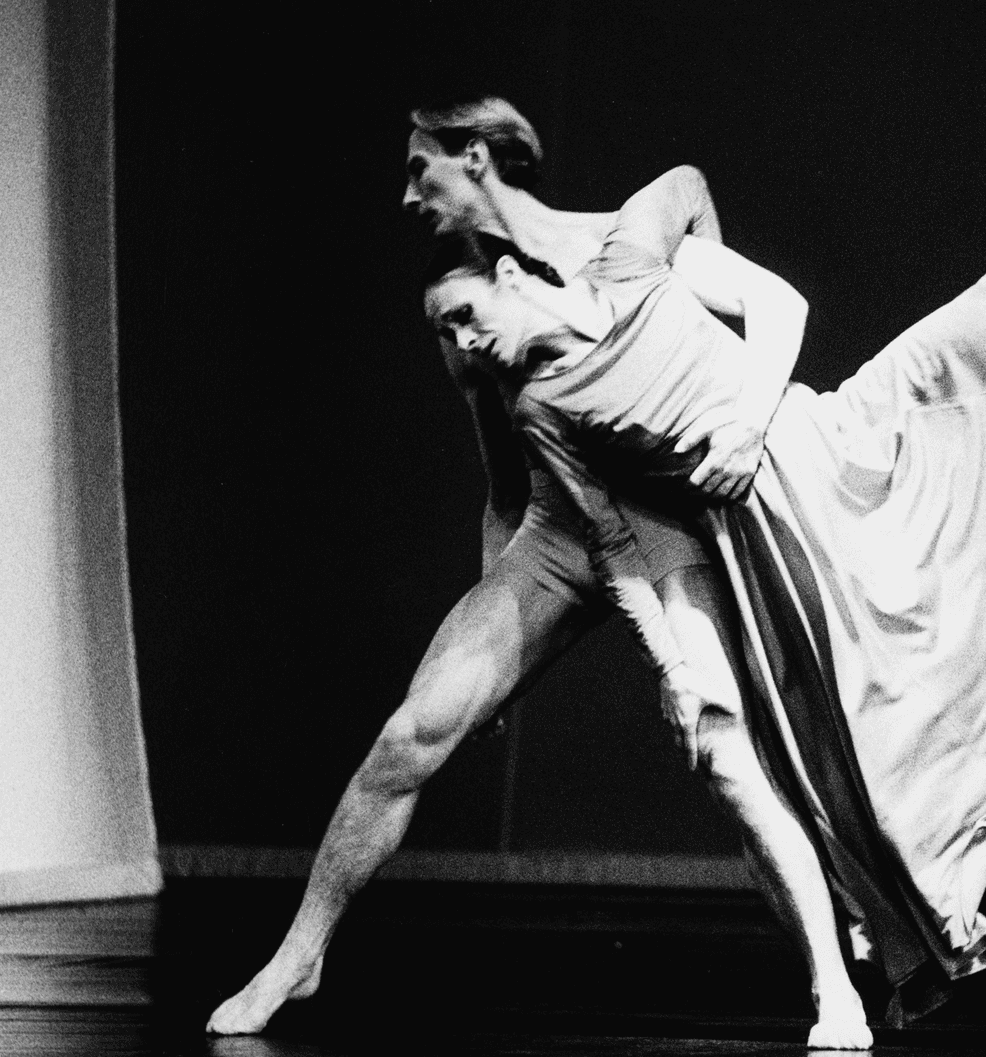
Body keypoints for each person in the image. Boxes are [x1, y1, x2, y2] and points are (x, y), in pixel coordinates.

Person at [423, 32, 986, 1053]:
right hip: (752, 558)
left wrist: (742, 421)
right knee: (867, 771)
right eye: (449, 337)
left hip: (819, 463)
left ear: (510, 272)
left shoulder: (634, 264)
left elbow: (781, 305)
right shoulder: (544, 406)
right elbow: (617, 542)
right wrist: (678, 664)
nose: (464, 346)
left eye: (464, 316)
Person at [208, 100, 873, 1049]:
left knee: (743, 755)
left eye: (418, 169)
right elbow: (504, 481)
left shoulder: (620, 238)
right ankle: (297, 955)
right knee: (412, 732)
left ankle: (841, 960)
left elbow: (699, 206)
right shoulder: (457, 307)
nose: (406, 195)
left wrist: (727, 406)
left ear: (474, 158)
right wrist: (497, 631)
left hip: (673, 521)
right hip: (565, 532)